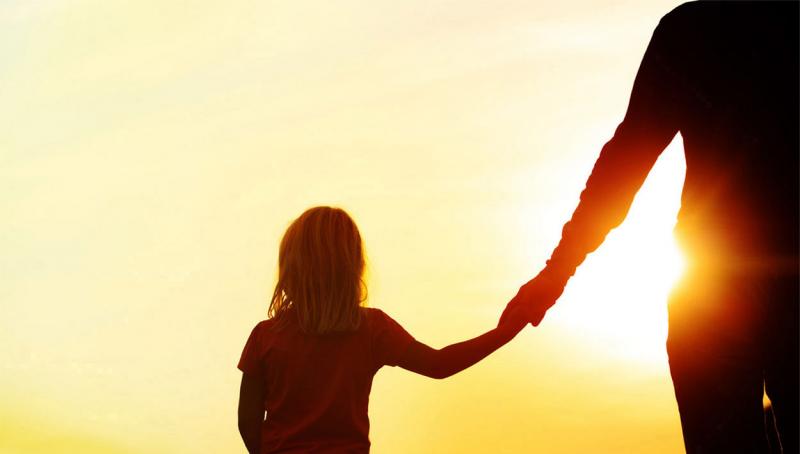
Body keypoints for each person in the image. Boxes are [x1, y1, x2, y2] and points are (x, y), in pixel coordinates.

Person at [506, 1, 798, 452]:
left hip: (712, 285)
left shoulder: (688, 32)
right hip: (717, 287)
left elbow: (624, 163)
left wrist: (557, 272)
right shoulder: (691, 34)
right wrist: (555, 271)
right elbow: (625, 162)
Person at [237, 206, 528, 453]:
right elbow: (439, 364)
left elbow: (247, 422)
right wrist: (504, 332)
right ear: (353, 266)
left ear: (291, 267)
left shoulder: (266, 336)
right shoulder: (371, 329)